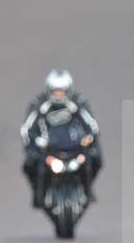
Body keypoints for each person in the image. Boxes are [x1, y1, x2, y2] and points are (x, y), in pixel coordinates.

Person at [20, 70, 102, 207]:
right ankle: (39, 195)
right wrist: (33, 143)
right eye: (55, 91)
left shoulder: (77, 102)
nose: (58, 95)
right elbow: (27, 129)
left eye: (62, 91)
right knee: (29, 164)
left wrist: (89, 138)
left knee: (95, 159)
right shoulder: (39, 104)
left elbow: (91, 125)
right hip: (48, 148)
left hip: (73, 146)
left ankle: (88, 190)